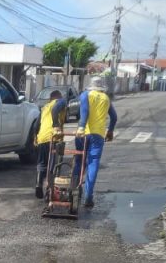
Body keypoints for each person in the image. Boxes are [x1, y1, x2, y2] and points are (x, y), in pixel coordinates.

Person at [74, 75, 117, 209]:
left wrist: (81, 126)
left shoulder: (86, 94)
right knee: (93, 164)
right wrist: (109, 131)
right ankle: (88, 196)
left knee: (79, 161)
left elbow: (85, 111)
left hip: (83, 134)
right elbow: (114, 117)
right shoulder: (106, 98)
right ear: (102, 86)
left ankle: (75, 190)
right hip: (98, 136)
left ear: (91, 85)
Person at [34, 89, 67, 199]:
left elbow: (36, 125)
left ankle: (39, 183)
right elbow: (55, 110)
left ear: (50, 99)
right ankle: (50, 188)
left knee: (42, 163)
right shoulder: (61, 101)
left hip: (42, 138)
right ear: (59, 96)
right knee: (52, 164)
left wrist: (35, 137)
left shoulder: (45, 107)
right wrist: (56, 125)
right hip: (54, 137)